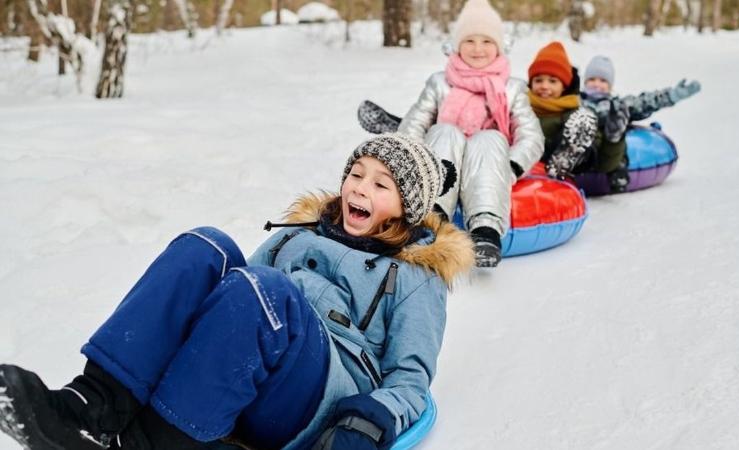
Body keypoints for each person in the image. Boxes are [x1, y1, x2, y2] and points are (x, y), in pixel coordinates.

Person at [0, 133, 475, 450]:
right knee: (205, 247)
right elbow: (235, 302)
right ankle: (93, 407)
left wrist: (369, 419)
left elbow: (410, 382)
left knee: (266, 290)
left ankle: (151, 441)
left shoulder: (415, 276)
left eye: (381, 183)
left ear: (406, 209)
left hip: (319, 397)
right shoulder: (297, 234)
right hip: (258, 369)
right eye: (355, 174)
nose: (360, 188)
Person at [397, 0, 543, 268]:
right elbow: (414, 124)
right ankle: (430, 219)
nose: (478, 49)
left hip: (488, 164)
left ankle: (485, 229)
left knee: (489, 138)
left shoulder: (511, 88)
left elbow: (531, 136)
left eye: (487, 41)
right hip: (444, 161)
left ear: (499, 46)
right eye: (469, 41)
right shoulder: (440, 83)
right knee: (444, 131)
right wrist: (413, 161)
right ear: (456, 45)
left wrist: (510, 166)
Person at [581, 55, 701, 192]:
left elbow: (645, 102)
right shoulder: (576, 102)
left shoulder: (618, 105)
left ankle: (618, 172)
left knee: (617, 130)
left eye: (603, 80)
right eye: (592, 79)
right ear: (584, 82)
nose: (597, 84)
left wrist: (672, 95)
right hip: (584, 148)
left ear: (610, 86)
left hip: (610, 147)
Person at [525, 41, 597, 182]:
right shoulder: (522, 106)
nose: (544, 86)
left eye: (552, 81)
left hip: (554, 161)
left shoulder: (571, 113)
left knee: (578, 130)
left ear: (563, 86)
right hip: (525, 159)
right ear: (531, 83)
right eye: (538, 80)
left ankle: (565, 159)